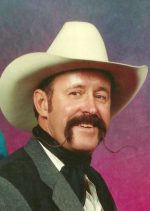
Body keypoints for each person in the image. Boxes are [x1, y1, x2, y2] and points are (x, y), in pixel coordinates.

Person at [0, 22, 148, 211]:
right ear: (42, 104)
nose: (91, 108)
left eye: (100, 96)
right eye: (75, 93)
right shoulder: (6, 187)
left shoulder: (96, 182)